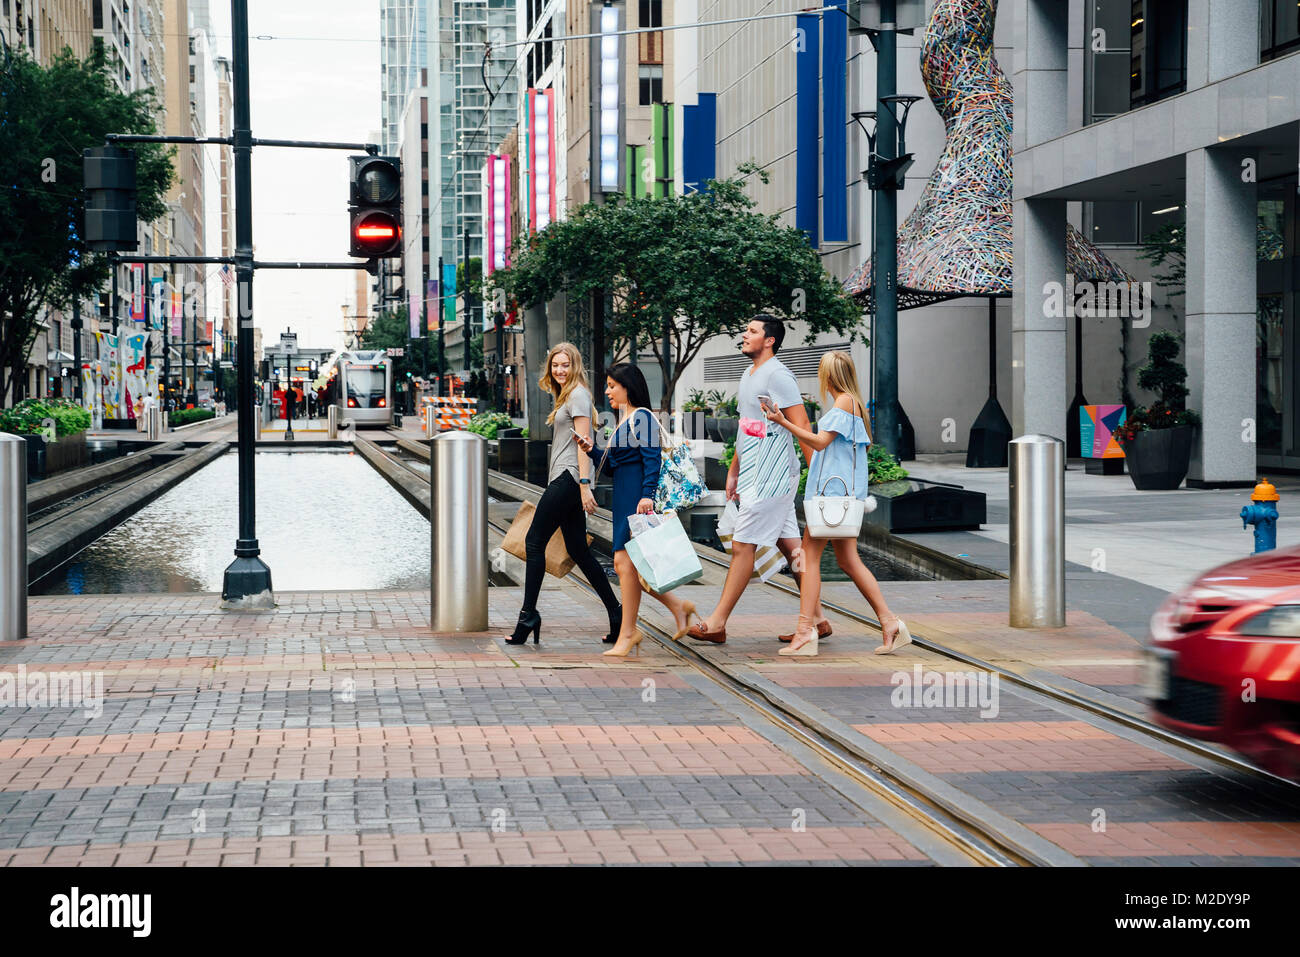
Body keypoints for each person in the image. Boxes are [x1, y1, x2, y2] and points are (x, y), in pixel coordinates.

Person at [762, 351, 912, 656]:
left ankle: (806, 632)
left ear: (828, 376)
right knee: (847, 560)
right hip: (843, 499)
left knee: (809, 558)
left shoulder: (844, 403)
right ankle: (890, 623)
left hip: (830, 499)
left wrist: (782, 421)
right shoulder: (854, 404)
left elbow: (819, 443)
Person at [687, 315, 825, 644]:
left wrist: (817, 475)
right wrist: (734, 469)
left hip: (773, 475)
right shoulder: (750, 374)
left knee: (742, 545)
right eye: (745, 329)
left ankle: (718, 622)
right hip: (754, 472)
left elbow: (802, 422)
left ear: (770, 340)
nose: (744, 334)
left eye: (751, 331)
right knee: (792, 547)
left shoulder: (778, 375)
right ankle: (817, 620)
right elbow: (750, 427)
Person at [579, 363, 697, 658]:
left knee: (624, 565)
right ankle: (676, 608)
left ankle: (630, 632)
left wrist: (646, 496)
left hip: (636, 500)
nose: (607, 392)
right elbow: (614, 467)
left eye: (611, 386)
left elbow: (652, 460)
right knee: (628, 566)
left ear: (627, 387)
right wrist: (590, 449)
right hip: (624, 498)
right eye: (607, 386)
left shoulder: (642, 417)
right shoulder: (623, 421)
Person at [508, 343, 622, 645]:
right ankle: (616, 613)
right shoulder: (567, 395)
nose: (560, 370)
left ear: (575, 366)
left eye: (565, 365)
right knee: (578, 550)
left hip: (570, 478)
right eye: (555, 365)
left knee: (534, 541)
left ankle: (528, 615)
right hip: (566, 477)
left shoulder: (578, 395)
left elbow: (585, 442)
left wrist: (585, 485)